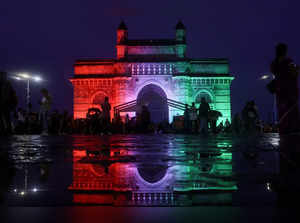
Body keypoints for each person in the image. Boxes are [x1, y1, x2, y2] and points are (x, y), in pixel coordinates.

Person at [269, 43, 300, 134]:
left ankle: (284, 127)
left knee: (282, 108)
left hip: (280, 89)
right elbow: (293, 73)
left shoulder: (274, 63)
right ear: (284, 51)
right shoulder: (288, 61)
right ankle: (293, 127)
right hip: (288, 89)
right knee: (292, 108)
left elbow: (274, 71)